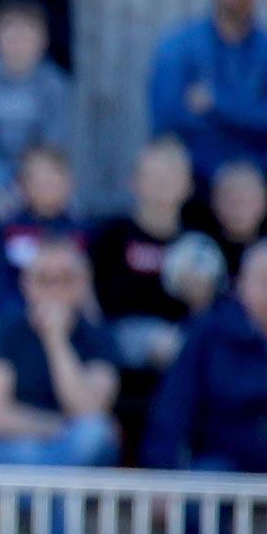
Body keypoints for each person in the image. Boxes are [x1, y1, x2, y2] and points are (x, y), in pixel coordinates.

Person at [142, 238, 267, 476]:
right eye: (264, 281)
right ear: (241, 284)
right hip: (222, 465)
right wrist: (162, 473)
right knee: (195, 496)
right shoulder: (208, 334)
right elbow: (174, 405)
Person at [0, 236, 119, 470]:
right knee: (24, 453)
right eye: (44, 280)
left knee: (93, 435)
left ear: (83, 284)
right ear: (25, 284)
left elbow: (87, 412)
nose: (55, 289)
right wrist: (59, 428)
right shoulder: (4, 330)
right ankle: (62, 499)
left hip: (73, 448)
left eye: (66, 279)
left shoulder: (98, 337)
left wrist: (56, 341)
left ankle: (55, 494)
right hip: (18, 447)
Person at [149, 0, 267, 183]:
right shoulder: (178, 46)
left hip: (257, 181)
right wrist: (250, 109)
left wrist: (216, 103)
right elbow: (168, 115)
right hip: (194, 177)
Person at [90, 136, 201, 370]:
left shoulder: (199, 244)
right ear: (134, 182)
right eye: (153, 176)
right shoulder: (111, 235)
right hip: (121, 332)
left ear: (188, 185)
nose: (162, 185)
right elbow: (90, 298)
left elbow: (208, 311)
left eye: (171, 176)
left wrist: (201, 297)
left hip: (183, 333)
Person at [0, 0, 73, 221]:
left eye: (27, 31)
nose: (18, 39)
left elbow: (53, 144)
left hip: (39, 180)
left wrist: (25, 186)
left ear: (43, 39)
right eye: (9, 29)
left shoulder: (55, 85)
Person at [0, 145, 86, 312]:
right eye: (36, 178)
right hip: (18, 320)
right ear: (22, 183)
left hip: (75, 321)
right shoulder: (5, 231)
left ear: (69, 182)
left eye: (53, 175)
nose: (45, 183)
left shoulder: (86, 233)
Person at [205, 157, 267, 277]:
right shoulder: (197, 249)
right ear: (214, 202)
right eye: (230, 197)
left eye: (247, 198)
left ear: (265, 202)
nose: (238, 206)